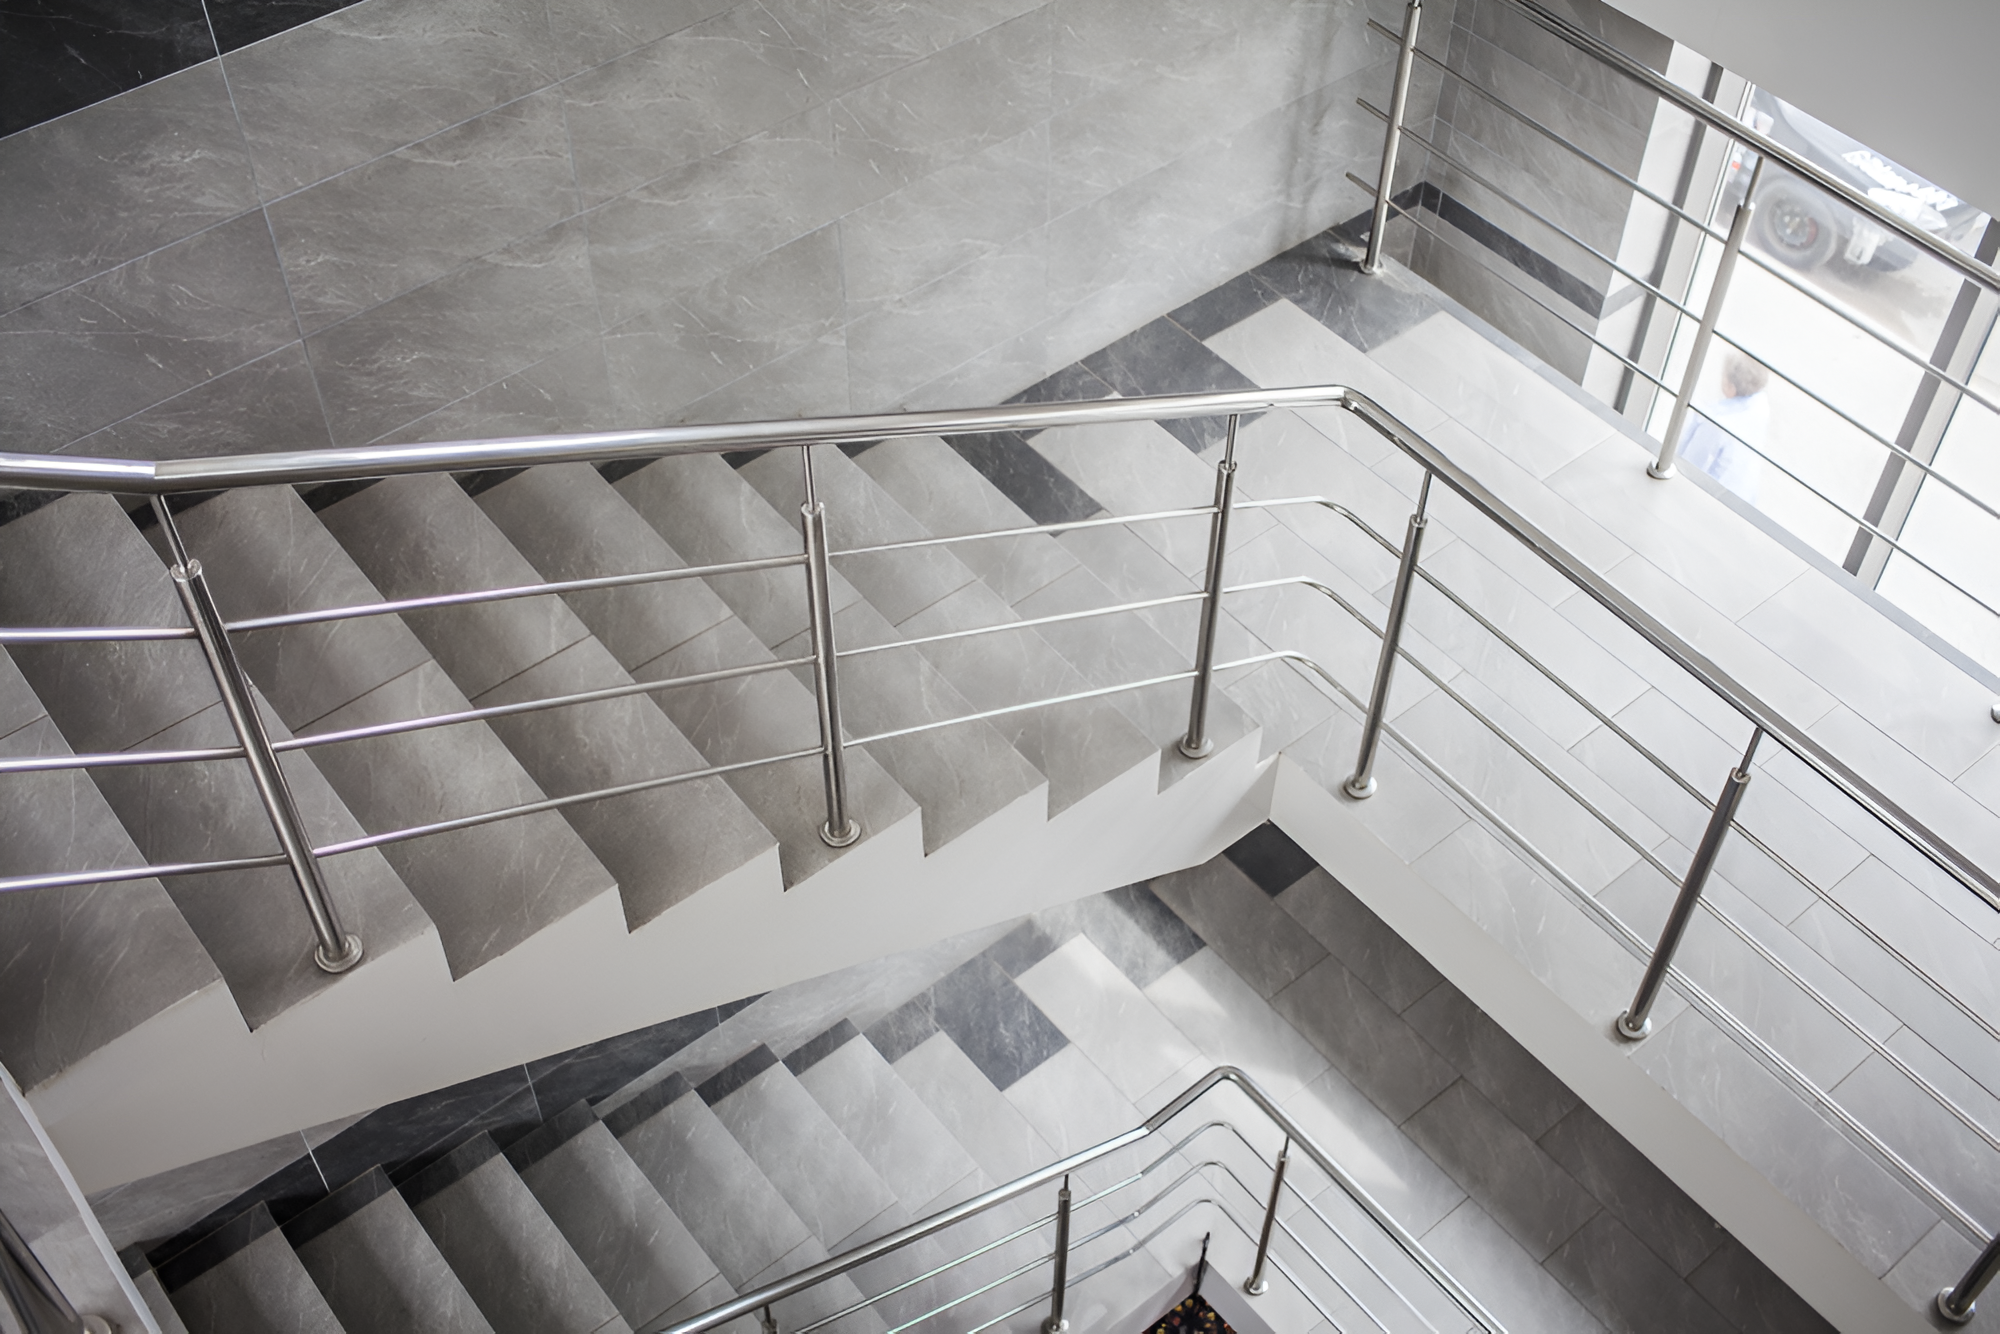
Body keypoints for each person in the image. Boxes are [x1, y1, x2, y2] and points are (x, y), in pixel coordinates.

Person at [1678, 351, 1769, 502]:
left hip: (1715, 500)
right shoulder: (1760, 405)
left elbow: (1690, 463)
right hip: (1745, 495)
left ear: (1730, 388)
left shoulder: (1714, 422)